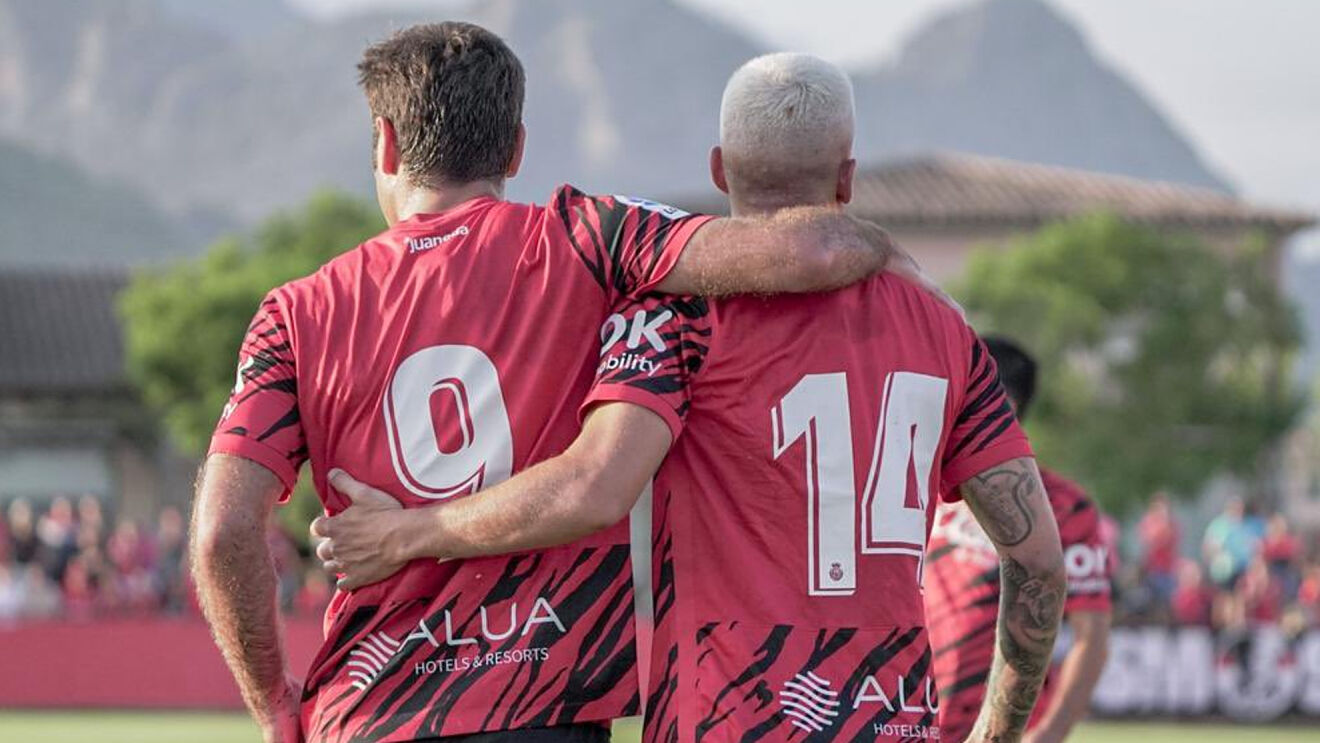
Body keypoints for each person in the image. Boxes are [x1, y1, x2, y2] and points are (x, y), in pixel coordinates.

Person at [191, 23, 925, 743]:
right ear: (516, 147)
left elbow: (223, 532)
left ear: (384, 143)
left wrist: (273, 701)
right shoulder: (588, 239)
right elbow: (811, 250)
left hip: (367, 708)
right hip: (542, 706)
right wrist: (883, 250)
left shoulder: (296, 312)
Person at [315, 53, 1066, 743]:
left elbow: (592, 486)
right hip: (894, 721)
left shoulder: (677, 316)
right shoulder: (945, 329)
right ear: (847, 178)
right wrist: (995, 735)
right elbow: (1036, 560)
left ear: (718, 170)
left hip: (726, 717)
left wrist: (408, 532)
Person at [924, 337, 1112, 743]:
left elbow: (1092, 636)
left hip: (1005, 731)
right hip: (910, 722)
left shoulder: (1064, 507)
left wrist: (1050, 732)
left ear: (1002, 407)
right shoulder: (918, 486)